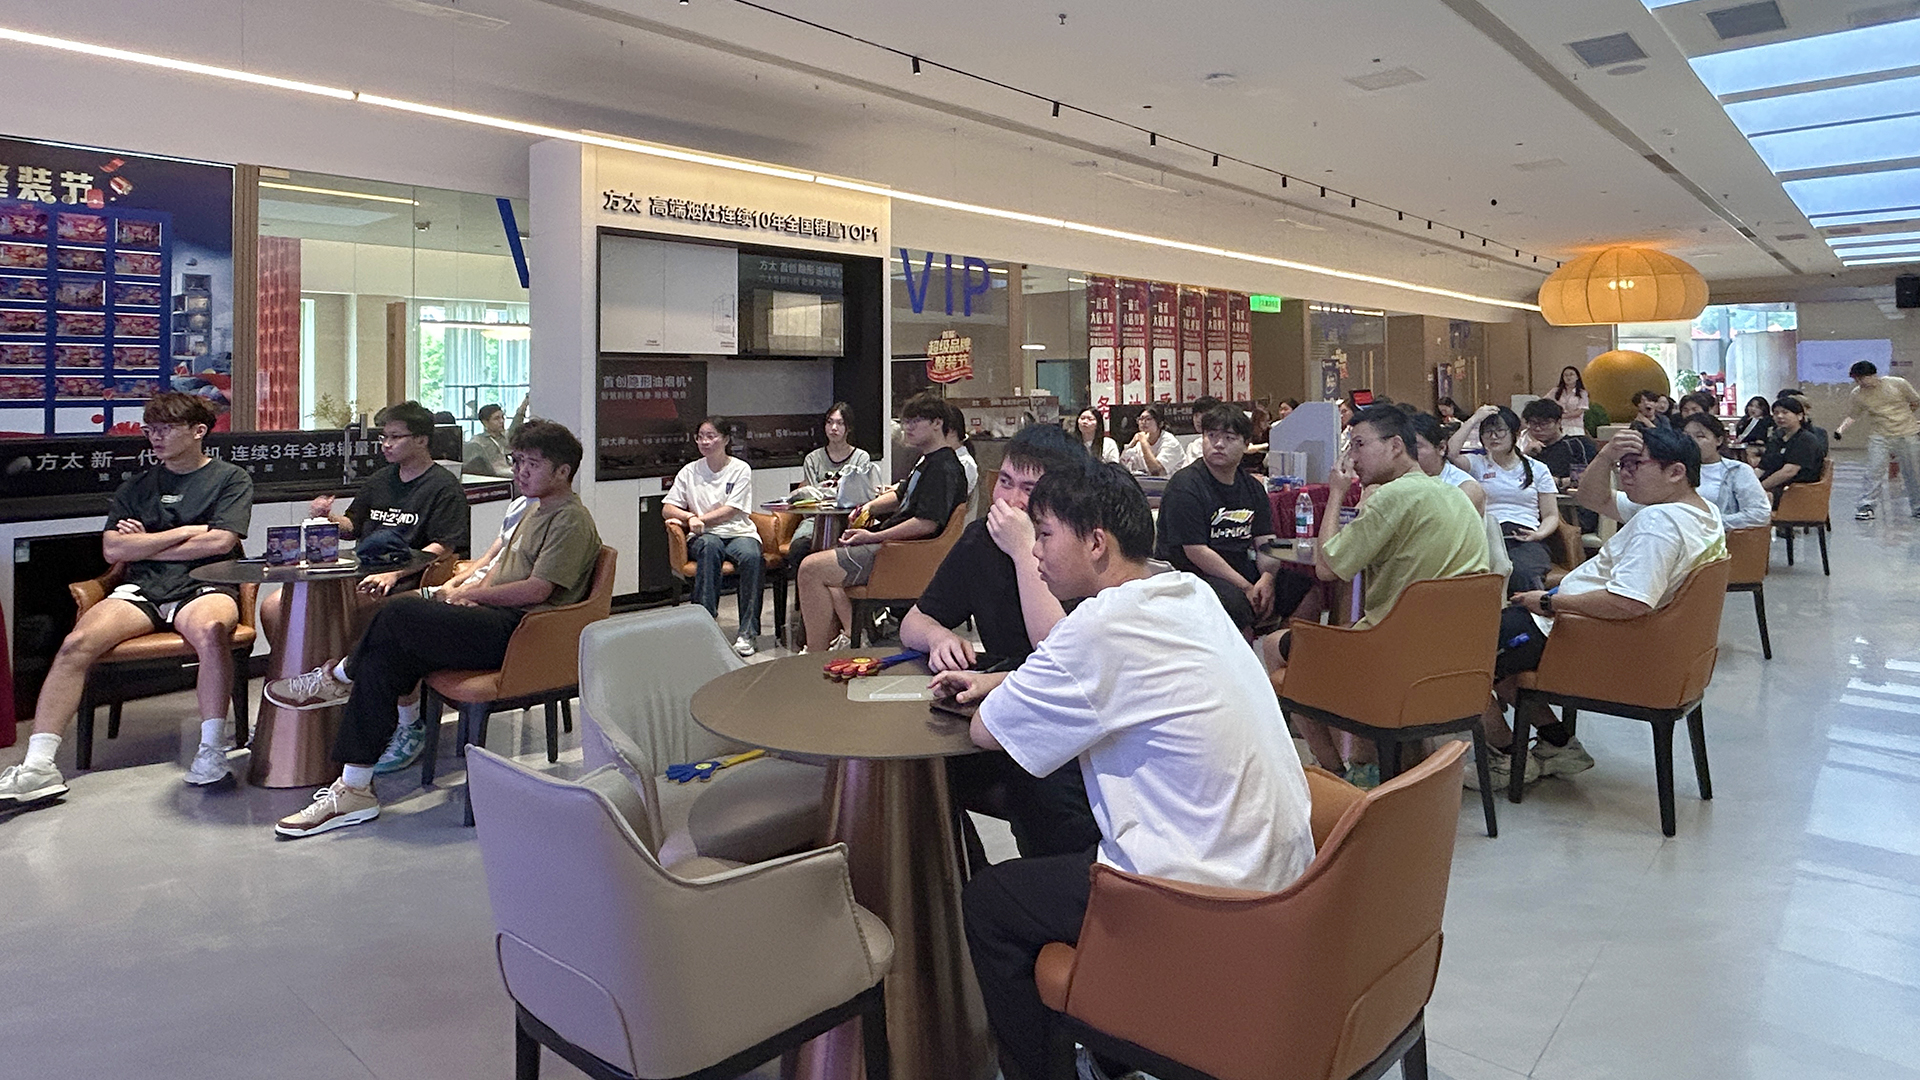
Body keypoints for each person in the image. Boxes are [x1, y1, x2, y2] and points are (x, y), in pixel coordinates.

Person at [932, 461, 1315, 1080]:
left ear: (1095, 542)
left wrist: (999, 690)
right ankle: (1109, 1053)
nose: (1036, 552)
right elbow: (1120, 682)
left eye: (1045, 534)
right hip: (1283, 876)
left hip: (1198, 894)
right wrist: (1006, 682)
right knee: (1066, 831)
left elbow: (986, 731)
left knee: (992, 902)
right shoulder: (1189, 593)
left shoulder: (1098, 625)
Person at [266, 421, 603, 838]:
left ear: (563, 471)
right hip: (497, 620)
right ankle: (354, 786)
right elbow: (500, 567)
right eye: (517, 461)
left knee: (399, 612)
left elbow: (537, 589)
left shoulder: (570, 520)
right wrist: (467, 591)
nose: (520, 471)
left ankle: (338, 676)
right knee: (386, 657)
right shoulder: (534, 510)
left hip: (524, 634)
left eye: (532, 464)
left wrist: (477, 596)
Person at [0, 393, 253, 806]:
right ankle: (38, 766)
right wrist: (183, 533)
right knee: (75, 643)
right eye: (150, 429)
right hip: (144, 587)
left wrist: (145, 543)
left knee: (211, 631)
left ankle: (210, 750)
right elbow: (113, 550)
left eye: (167, 429)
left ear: (198, 432)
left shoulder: (230, 478)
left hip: (206, 583)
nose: (156, 437)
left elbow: (220, 542)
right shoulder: (137, 485)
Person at [1482, 427, 1728, 789]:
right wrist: (1606, 456)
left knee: (1462, 659)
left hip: (1585, 634)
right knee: (1501, 658)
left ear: (1676, 472)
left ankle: (1507, 758)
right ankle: (1558, 745)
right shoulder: (1699, 512)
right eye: (1621, 466)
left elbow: (1628, 602)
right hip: (1629, 638)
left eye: (1635, 465)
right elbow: (1591, 497)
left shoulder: (1659, 523)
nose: (1624, 474)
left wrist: (1548, 601)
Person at [900, 424, 1098, 859]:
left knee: (1043, 794)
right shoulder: (980, 541)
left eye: (1029, 489)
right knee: (918, 776)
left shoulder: (1081, 552)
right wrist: (938, 636)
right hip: (999, 710)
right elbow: (914, 621)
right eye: (1005, 482)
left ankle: (1049, 886)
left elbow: (1056, 652)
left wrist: (1024, 549)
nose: (1010, 500)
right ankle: (959, 881)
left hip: (1068, 721)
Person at [1263, 405, 1489, 779]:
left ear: (1395, 446)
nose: (1352, 458)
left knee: (1276, 645)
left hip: (1391, 660)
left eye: (1359, 444)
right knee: (1351, 638)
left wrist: (1337, 493)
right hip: (1457, 660)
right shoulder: (1455, 496)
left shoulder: (1392, 497)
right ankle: (1382, 763)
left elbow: (1327, 567)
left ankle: (1336, 772)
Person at [796, 393, 969, 650]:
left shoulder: (943, 468)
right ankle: (847, 636)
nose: (907, 427)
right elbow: (900, 495)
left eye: (916, 421)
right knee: (824, 559)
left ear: (937, 423)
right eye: (906, 421)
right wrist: (868, 507)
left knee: (810, 568)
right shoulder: (928, 461)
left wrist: (874, 536)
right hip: (895, 549)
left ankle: (816, 652)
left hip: (903, 555)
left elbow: (926, 523)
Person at [307, 400, 471, 599]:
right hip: (363, 566)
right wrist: (328, 518)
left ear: (421, 440)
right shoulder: (380, 479)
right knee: (281, 602)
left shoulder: (444, 486)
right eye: (384, 437)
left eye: (395, 437)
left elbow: (444, 547)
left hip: (410, 576)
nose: (386, 444)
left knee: (329, 607)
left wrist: (394, 574)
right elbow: (352, 527)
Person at [1154, 403, 1294, 632]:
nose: (1218, 444)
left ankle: (1288, 650)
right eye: (1211, 436)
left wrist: (1267, 578)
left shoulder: (1252, 487)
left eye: (1229, 438)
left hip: (1239, 566)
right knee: (1238, 605)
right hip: (1191, 574)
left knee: (1303, 588)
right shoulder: (1185, 485)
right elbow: (1196, 551)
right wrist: (1247, 587)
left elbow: (1266, 542)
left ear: (1246, 444)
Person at [664, 417, 763, 658]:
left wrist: (699, 519)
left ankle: (748, 632)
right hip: (705, 536)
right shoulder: (690, 471)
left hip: (738, 532)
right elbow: (667, 508)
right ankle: (704, 625)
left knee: (752, 557)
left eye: (711, 436)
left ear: (726, 439)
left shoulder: (740, 469)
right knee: (710, 547)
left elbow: (731, 510)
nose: (705, 442)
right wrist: (689, 518)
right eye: (700, 437)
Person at [1581, 412, 1770, 532]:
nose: (1693, 441)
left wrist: (1704, 522)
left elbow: (1759, 514)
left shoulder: (1736, 471)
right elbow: (1593, 498)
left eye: (1700, 436)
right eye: (1687, 436)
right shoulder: (1652, 500)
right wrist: (1605, 457)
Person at [1449, 404, 1558, 592]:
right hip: (1487, 533)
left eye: (1500, 430)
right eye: (1487, 432)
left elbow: (1551, 515)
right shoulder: (1477, 464)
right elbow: (1450, 453)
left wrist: (1539, 534)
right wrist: (1474, 419)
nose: (1493, 437)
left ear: (1515, 433)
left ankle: (1525, 609)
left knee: (1522, 572)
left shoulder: (1538, 468)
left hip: (1524, 534)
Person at [787, 402, 875, 567]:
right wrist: (837, 492)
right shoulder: (812, 459)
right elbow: (812, 498)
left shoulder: (861, 458)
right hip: (816, 520)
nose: (834, 428)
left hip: (848, 519)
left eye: (840, 423)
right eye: (829, 422)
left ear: (848, 428)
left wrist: (824, 491)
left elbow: (858, 496)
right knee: (799, 548)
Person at [1834, 360, 1920, 520]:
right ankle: (1866, 506)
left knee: (1913, 472)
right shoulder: (1858, 394)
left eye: (1862, 378)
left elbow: (1915, 401)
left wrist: (1904, 417)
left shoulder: (1898, 384)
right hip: (1880, 436)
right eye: (1856, 380)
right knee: (1874, 471)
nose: (1860, 383)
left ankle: (1918, 507)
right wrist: (1840, 430)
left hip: (1907, 433)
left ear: (1873, 375)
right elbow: (1853, 415)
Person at [1520, 398, 1599, 534]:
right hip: (1536, 511)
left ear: (1558, 422)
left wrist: (1557, 482)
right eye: (1533, 423)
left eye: (1544, 423)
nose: (1538, 428)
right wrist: (1524, 456)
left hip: (1573, 510)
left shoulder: (1576, 444)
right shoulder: (1532, 452)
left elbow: (1589, 477)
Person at [1411, 412, 1487, 514]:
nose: (1408, 453)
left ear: (1441, 448)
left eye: (1416, 447)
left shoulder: (1464, 486)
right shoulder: (1400, 480)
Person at [1757, 395, 1826, 500]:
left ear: (1799, 416)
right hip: (1776, 486)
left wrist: (1759, 488)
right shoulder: (1777, 438)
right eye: (1776, 413)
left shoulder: (1806, 439)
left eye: (1785, 412)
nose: (1780, 416)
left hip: (1797, 490)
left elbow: (1788, 472)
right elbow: (1762, 467)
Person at [1119, 403, 1183, 477]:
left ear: (1160, 424)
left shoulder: (1170, 442)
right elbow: (1122, 468)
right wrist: (1131, 444)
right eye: (1141, 419)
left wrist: (1144, 443)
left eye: (1148, 419)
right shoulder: (1138, 442)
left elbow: (1156, 471)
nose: (1143, 422)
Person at [462, 403, 513, 477]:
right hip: (493, 476)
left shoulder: (506, 437)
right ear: (485, 422)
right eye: (496, 418)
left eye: (502, 417)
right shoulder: (478, 442)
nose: (501, 421)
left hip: (511, 471)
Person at [1179, 394, 1223, 468]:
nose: (1198, 420)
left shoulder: (1223, 443)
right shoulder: (1193, 446)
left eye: (1203, 415)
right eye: (1196, 415)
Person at [1547, 366, 1589, 438]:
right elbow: (1545, 403)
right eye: (1565, 375)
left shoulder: (1582, 393)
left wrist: (1561, 416)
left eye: (1571, 374)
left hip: (1575, 427)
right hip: (1558, 427)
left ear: (1577, 377)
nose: (1568, 377)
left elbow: (1579, 412)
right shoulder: (1555, 391)